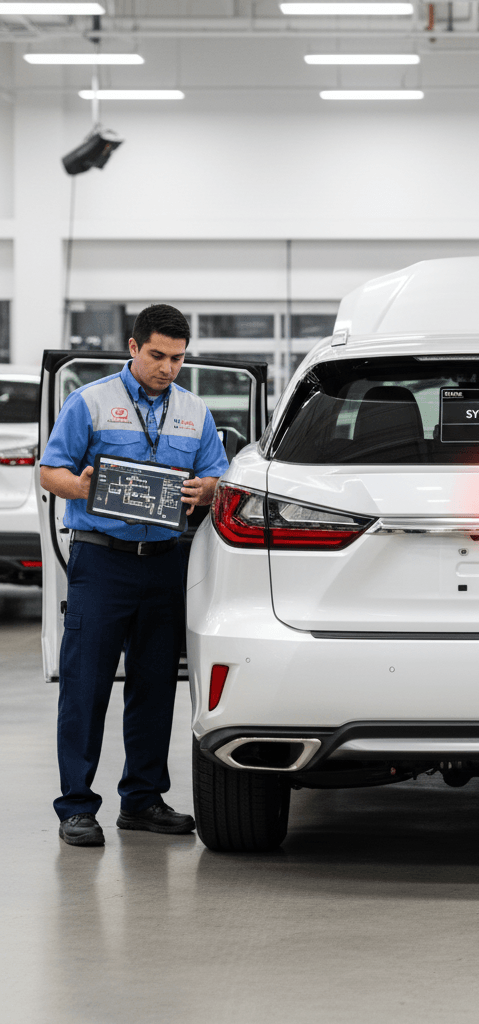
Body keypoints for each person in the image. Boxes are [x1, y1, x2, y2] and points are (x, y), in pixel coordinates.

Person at [40, 304, 229, 847]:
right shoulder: (90, 402)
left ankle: (142, 800)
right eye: (157, 355)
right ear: (132, 347)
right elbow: (51, 469)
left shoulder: (196, 412)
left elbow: (215, 470)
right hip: (102, 563)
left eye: (177, 358)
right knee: (86, 685)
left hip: (166, 562)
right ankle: (76, 806)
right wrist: (80, 487)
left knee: (153, 686)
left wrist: (208, 489)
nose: (168, 368)